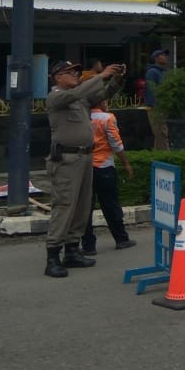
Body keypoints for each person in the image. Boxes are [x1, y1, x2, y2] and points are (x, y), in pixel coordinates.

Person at [43, 59, 125, 278]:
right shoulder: (56, 97)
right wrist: (101, 75)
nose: (75, 75)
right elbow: (79, 92)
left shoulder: (79, 98)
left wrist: (116, 80)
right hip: (66, 159)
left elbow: (101, 96)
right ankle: (53, 255)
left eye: (77, 71)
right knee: (65, 205)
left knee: (82, 205)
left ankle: (72, 250)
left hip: (85, 157)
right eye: (70, 72)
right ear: (58, 77)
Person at [81, 95, 136, 255]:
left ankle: (88, 246)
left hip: (85, 167)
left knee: (86, 208)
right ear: (101, 102)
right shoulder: (107, 118)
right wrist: (126, 163)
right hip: (104, 166)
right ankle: (121, 239)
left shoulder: (83, 118)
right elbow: (116, 144)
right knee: (111, 205)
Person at [144, 49, 170, 149]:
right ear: (156, 58)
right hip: (156, 108)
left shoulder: (163, 72)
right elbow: (150, 90)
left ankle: (159, 156)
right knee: (161, 133)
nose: (165, 57)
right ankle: (164, 157)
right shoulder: (152, 72)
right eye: (162, 55)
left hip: (162, 107)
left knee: (162, 134)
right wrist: (154, 107)